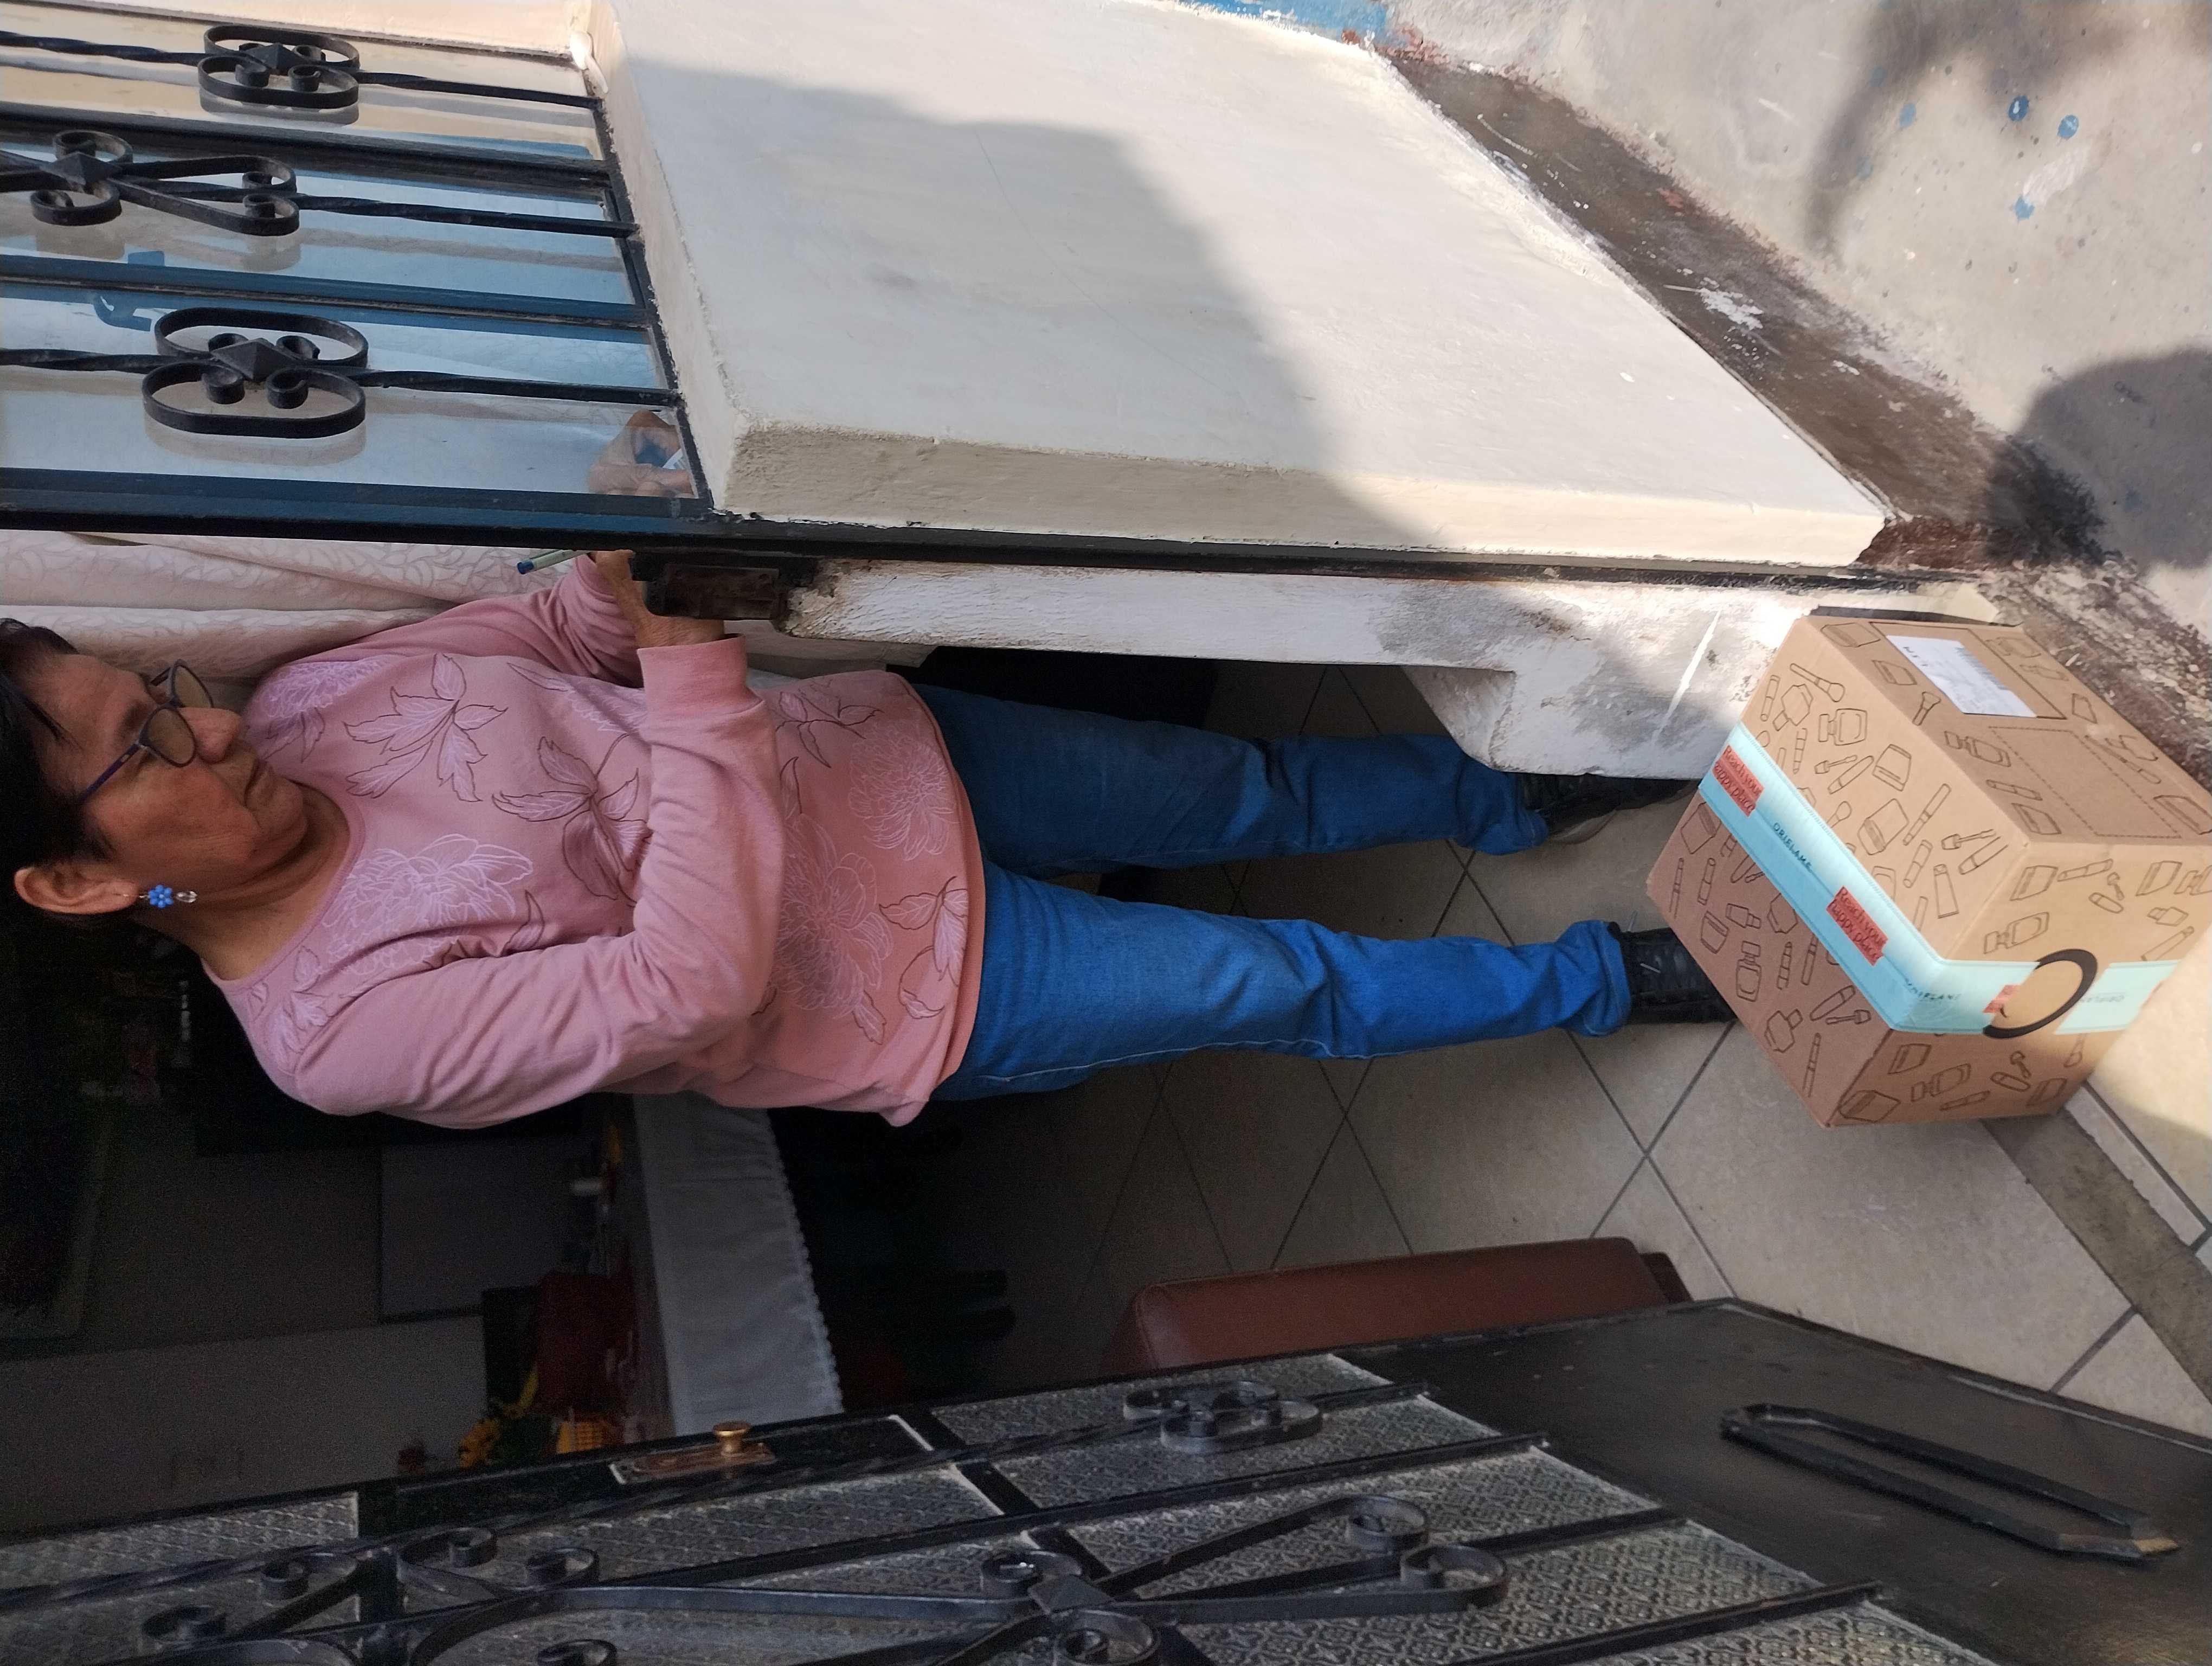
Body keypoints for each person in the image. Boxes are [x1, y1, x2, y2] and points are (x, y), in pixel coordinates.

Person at [2, 553, 1727, 1128]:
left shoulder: (310, 699)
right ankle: (1600, 982)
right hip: (917, 987)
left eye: (163, 692)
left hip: (892, 761)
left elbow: (543, 633)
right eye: (146, 747)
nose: (212, 725)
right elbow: (685, 983)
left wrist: (630, 572)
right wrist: (693, 670)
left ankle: (1517, 792)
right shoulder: (338, 1035)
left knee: (1246, 792)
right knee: (1283, 979)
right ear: (78, 881)